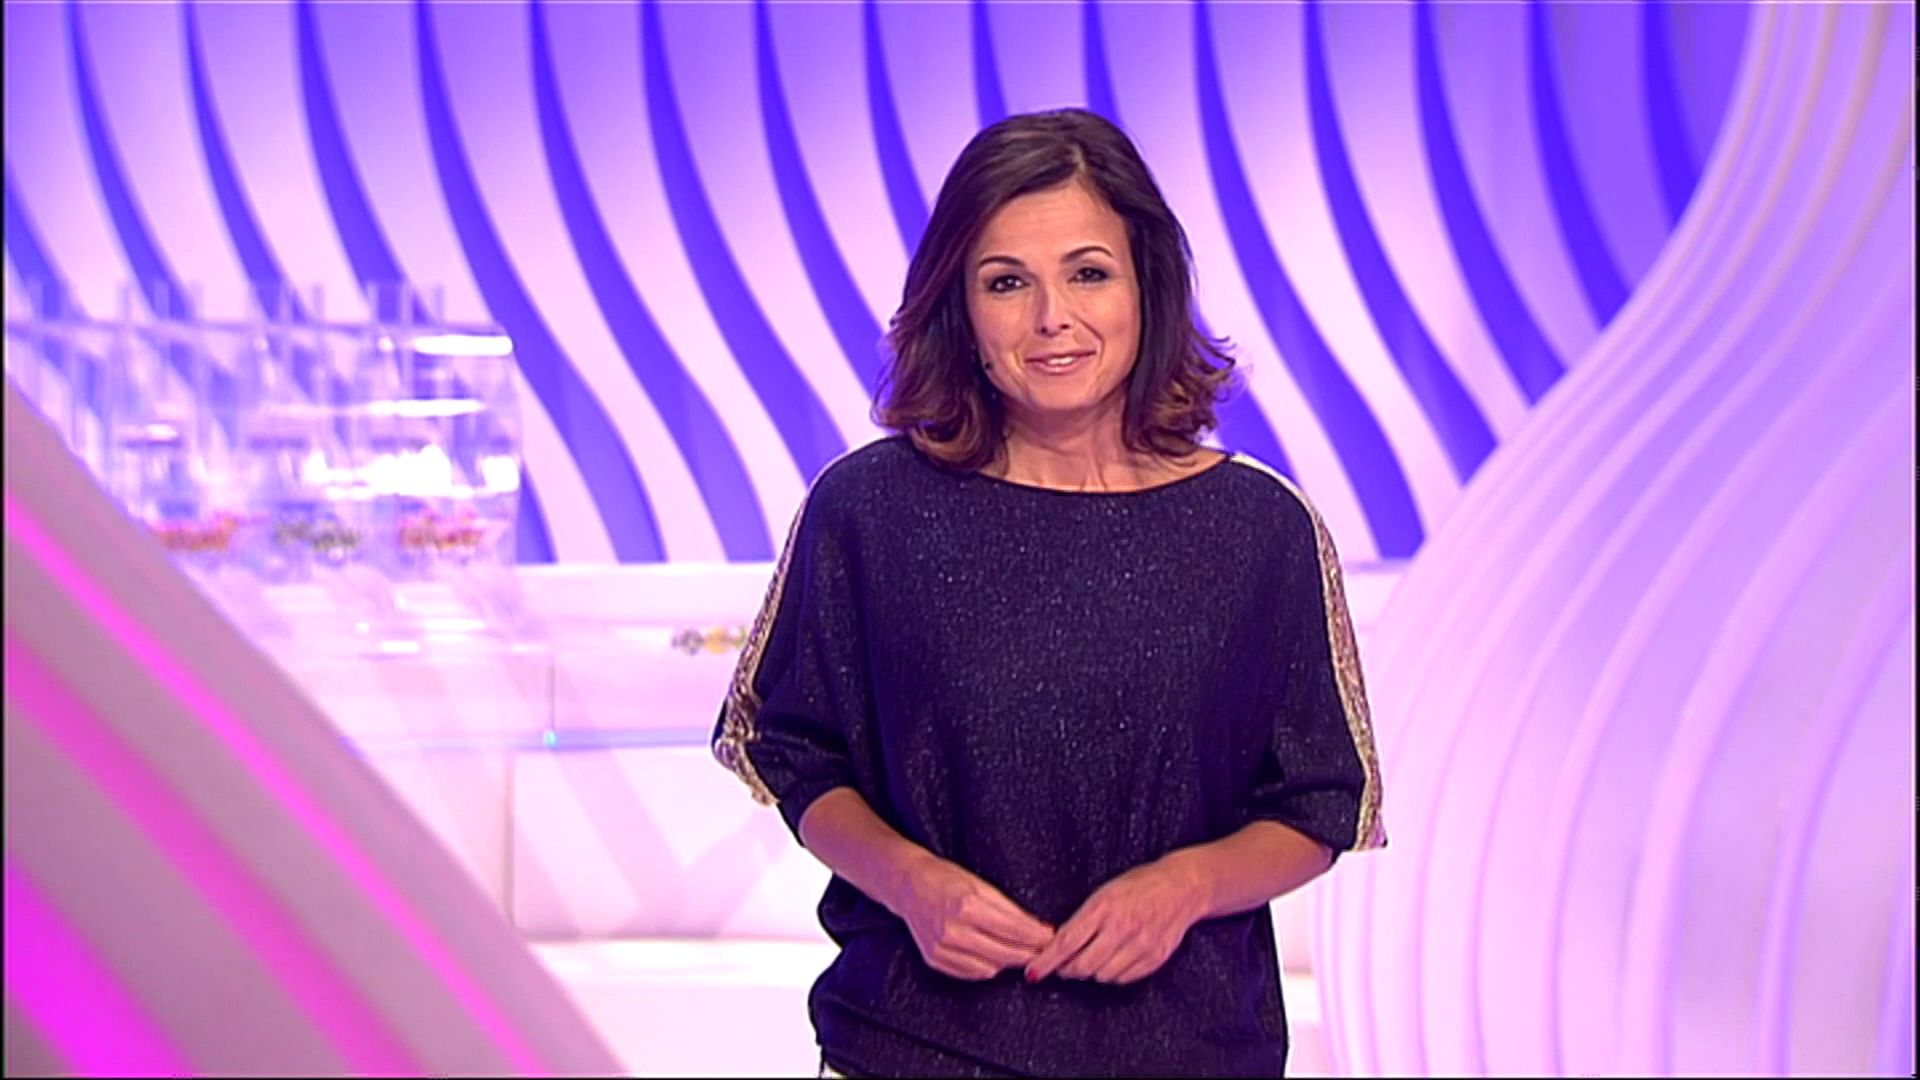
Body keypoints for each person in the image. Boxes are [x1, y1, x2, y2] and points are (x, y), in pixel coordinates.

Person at [712, 108, 1385, 1078]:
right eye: (1006, 282)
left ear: (1147, 284)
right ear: (959, 307)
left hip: (1186, 1054)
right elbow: (790, 749)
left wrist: (1188, 885)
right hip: (914, 1047)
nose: (1051, 318)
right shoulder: (867, 509)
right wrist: (911, 883)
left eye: (1088, 273)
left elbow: (1321, 801)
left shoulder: (1260, 527)